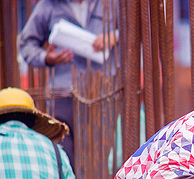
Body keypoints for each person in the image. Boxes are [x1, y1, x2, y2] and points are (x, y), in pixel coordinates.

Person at [18, 0, 119, 169]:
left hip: (104, 92)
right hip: (63, 93)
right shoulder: (48, 6)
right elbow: (26, 44)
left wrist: (114, 36)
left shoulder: (112, 3)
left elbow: (134, 31)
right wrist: (46, 58)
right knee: (65, 157)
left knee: (100, 156)